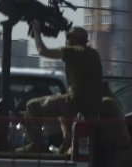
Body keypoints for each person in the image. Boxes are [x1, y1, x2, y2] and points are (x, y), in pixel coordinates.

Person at [21, 20, 103, 152]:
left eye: (67, 38)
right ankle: (66, 143)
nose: (65, 41)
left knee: (32, 106)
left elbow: (42, 51)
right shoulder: (94, 54)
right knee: (61, 113)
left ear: (74, 40)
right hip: (90, 107)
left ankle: (35, 144)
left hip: (74, 103)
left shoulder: (74, 52)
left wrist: (36, 31)